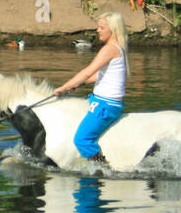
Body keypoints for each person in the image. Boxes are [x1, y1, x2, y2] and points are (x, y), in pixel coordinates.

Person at [53, 12, 129, 167]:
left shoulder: (110, 49)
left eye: (102, 27)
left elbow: (88, 71)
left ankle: (102, 168)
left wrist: (64, 87)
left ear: (113, 29)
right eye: (98, 27)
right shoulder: (116, 49)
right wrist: (77, 84)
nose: (98, 30)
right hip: (97, 100)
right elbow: (97, 76)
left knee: (82, 140)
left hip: (105, 106)